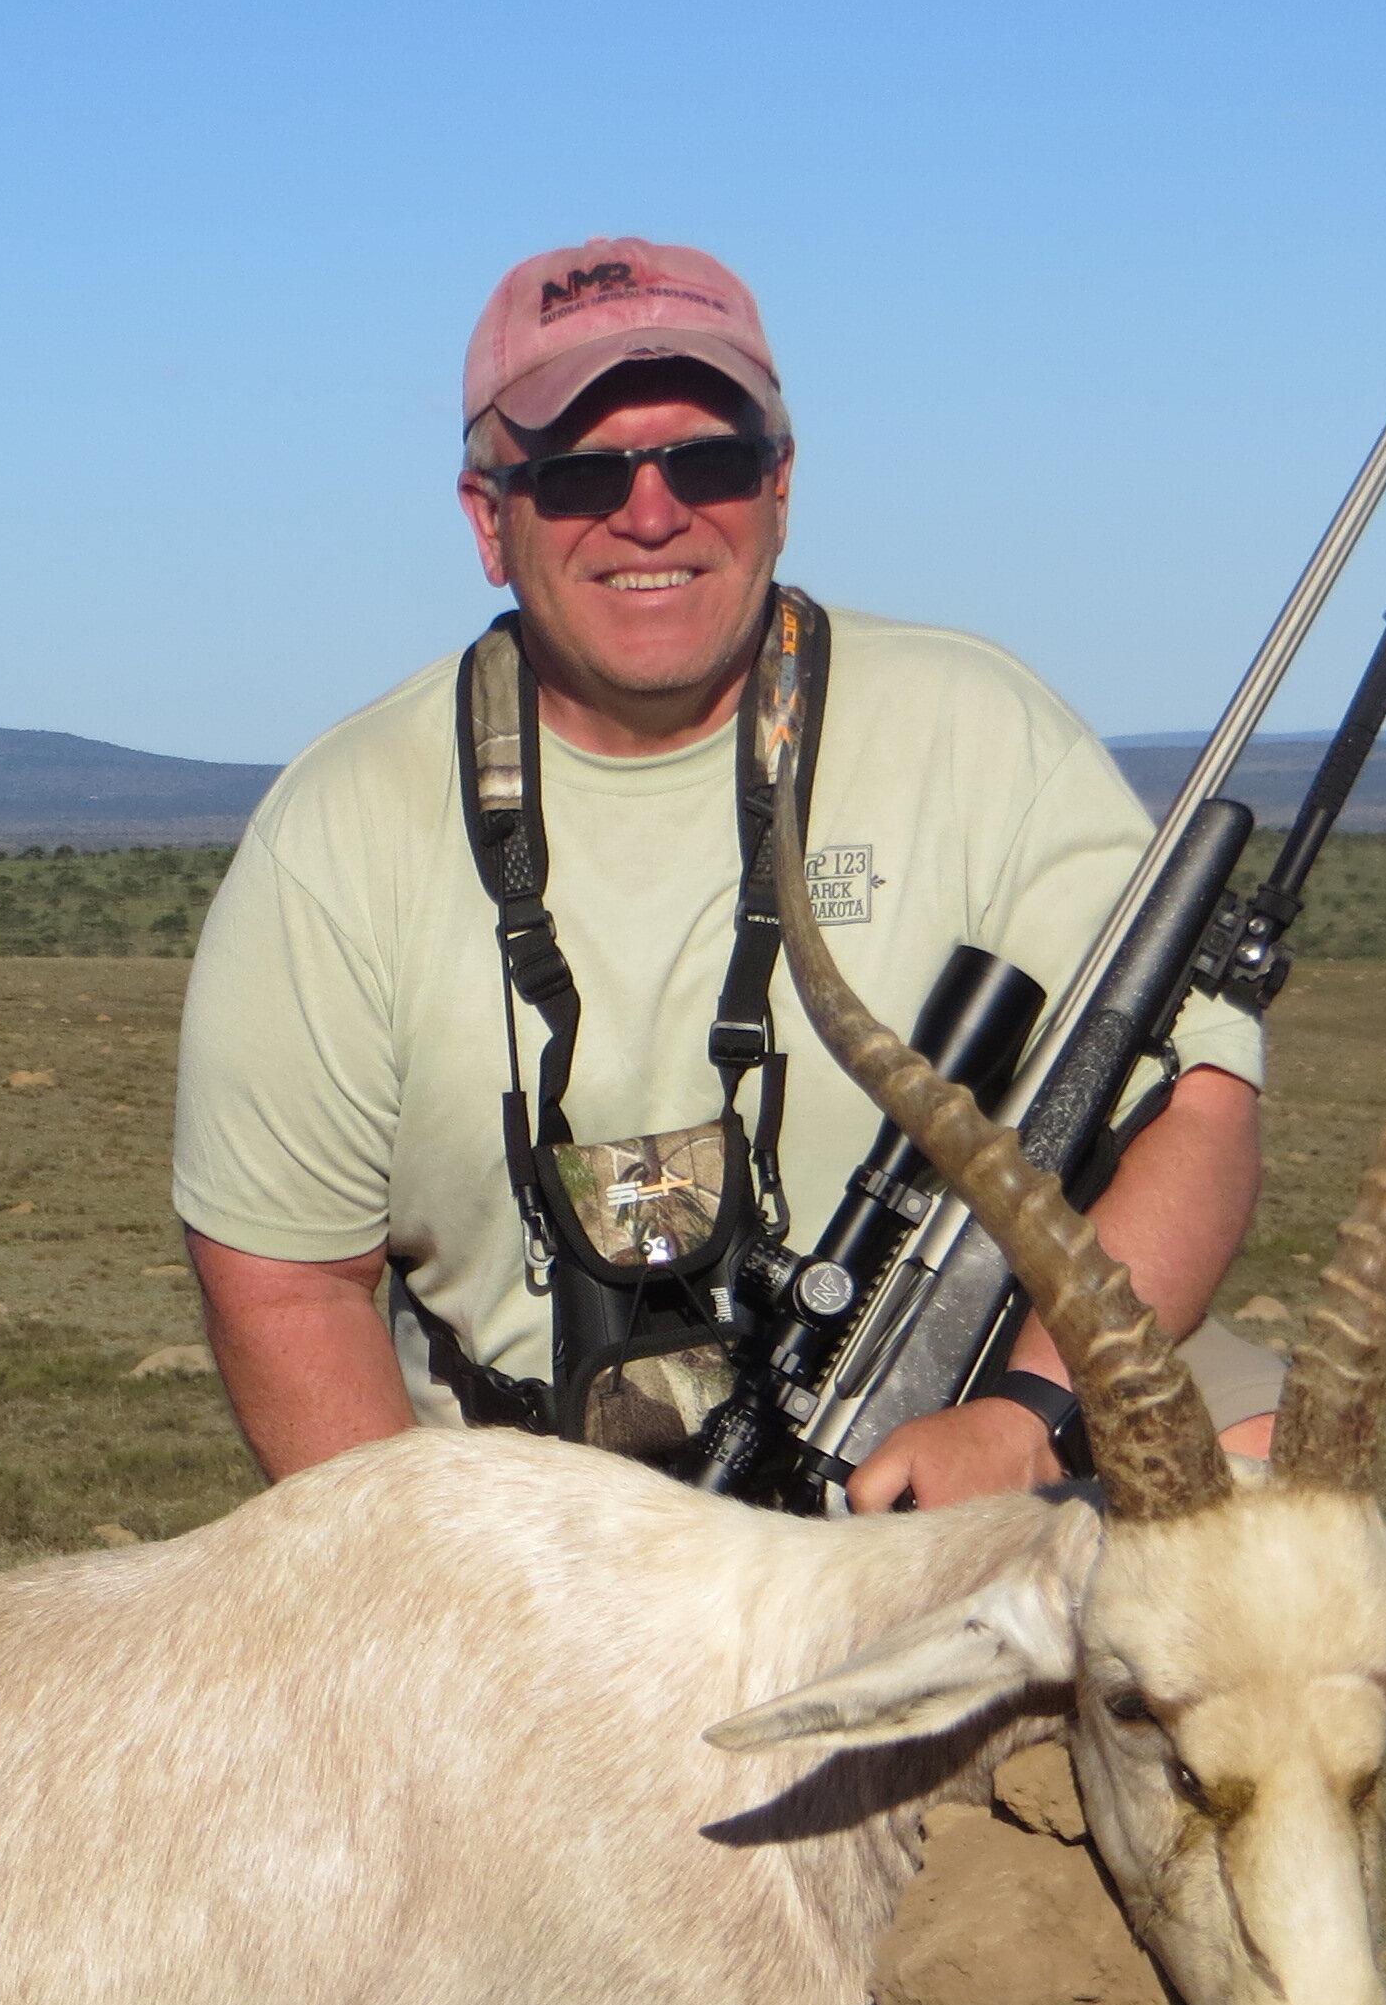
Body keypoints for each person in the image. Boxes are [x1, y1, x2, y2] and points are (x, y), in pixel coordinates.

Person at [175, 238, 1270, 1501]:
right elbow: (286, 1277)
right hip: (538, 1524)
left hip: (966, 1411)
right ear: (489, 519)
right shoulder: (338, 827)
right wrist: (413, 1608)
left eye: (708, 459)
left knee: (1265, 1488)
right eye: (582, 474)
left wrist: (1026, 1416)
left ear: (781, 485)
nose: (653, 512)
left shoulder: (980, 729)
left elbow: (1198, 1099)